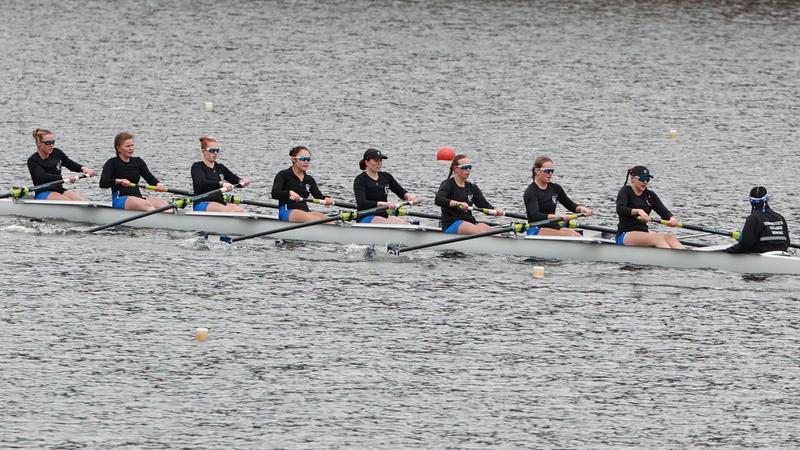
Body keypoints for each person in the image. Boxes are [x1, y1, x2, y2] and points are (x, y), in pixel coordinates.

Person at [615, 165, 684, 249]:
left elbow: (664, 212)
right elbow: (620, 209)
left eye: (647, 179)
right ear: (632, 179)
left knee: (671, 237)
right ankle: (669, 259)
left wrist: (672, 218)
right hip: (625, 234)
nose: (645, 182)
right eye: (642, 179)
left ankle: (686, 259)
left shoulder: (650, 195)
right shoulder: (625, 191)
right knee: (658, 238)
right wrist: (638, 211)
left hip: (644, 234)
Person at [434, 153, 504, 234]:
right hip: (452, 223)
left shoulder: (472, 187)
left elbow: (484, 206)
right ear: (455, 169)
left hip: (469, 223)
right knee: (479, 231)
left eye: (469, 167)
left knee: (490, 230)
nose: (468, 170)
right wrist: (457, 204)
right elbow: (438, 200)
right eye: (465, 167)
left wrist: (496, 210)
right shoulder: (448, 184)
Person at [98, 132, 169, 211]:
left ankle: (168, 221)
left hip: (138, 197)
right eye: (127, 146)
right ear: (118, 148)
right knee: (146, 205)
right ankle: (156, 220)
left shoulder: (138, 162)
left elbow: (150, 178)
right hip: (121, 198)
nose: (131, 148)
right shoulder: (112, 163)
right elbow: (103, 183)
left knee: (164, 204)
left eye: (132, 145)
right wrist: (118, 180)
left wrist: (158, 184)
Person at [524, 156, 593, 236]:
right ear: (537, 171)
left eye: (552, 171)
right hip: (536, 229)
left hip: (552, 225)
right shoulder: (531, 192)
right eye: (547, 171)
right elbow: (535, 215)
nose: (550, 173)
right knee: (573, 235)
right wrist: (557, 216)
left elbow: (570, 205)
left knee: (577, 235)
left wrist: (582, 209)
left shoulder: (555, 188)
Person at [353, 148, 419, 224]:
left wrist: (409, 196)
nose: (379, 163)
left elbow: (400, 191)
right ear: (366, 162)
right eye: (375, 160)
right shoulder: (360, 180)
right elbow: (361, 203)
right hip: (366, 216)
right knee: (397, 225)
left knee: (407, 224)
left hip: (383, 215)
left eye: (380, 160)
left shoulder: (386, 177)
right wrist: (382, 203)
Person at [27, 128, 96, 200]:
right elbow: (43, 177)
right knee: (67, 201)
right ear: (39, 143)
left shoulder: (57, 153)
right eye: (48, 142)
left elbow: (70, 164)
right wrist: (64, 177)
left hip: (59, 190)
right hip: (43, 192)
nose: (51, 145)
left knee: (82, 201)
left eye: (53, 142)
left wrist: (84, 169)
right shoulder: (33, 160)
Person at [271, 146, 334, 222]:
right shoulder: (283, 175)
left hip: (305, 212)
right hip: (287, 211)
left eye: (308, 159)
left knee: (329, 221)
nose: (306, 162)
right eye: (303, 159)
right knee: (317, 221)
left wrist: (326, 199)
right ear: (294, 159)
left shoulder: (309, 179)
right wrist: (289, 193)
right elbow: (274, 193)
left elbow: (319, 196)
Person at [190, 135, 250, 212]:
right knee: (230, 212)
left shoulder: (220, 167)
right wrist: (221, 184)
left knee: (242, 212)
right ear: (203, 151)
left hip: (219, 203)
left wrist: (242, 181)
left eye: (217, 150)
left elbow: (235, 180)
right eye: (212, 150)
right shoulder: (197, 167)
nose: (215, 153)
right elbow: (202, 183)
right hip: (202, 203)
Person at [725, 186, 790, 253]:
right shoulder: (780, 217)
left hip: (763, 255)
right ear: (767, 199)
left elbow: (745, 245)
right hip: (781, 253)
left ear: (751, 201)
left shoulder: (753, 218)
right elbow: (787, 242)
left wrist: (728, 251)